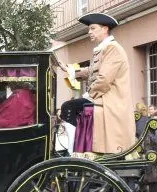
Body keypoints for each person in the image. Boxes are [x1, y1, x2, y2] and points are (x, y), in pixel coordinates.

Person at [58, 13, 135, 154]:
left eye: (93, 28)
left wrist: (89, 95)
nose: (89, 32)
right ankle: (75, 145)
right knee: (70, 107)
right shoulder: (103, 49)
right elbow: (91, 70)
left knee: (68, 107)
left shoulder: (113, 49)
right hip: (103, 100)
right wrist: (70, 70)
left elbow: (104, 79)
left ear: (104, 29)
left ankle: (72, 148)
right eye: (89, 29)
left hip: (110, 103)